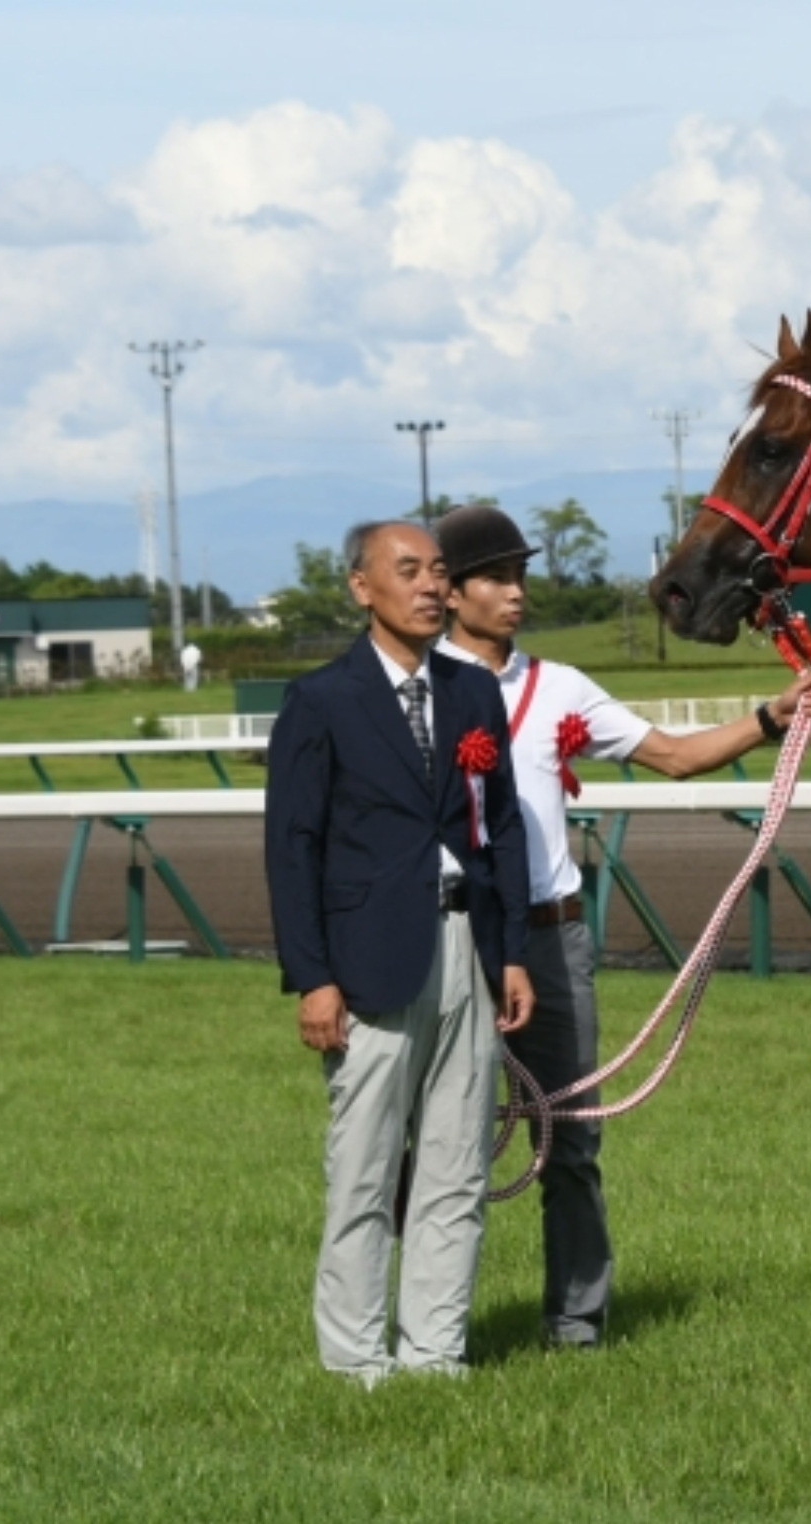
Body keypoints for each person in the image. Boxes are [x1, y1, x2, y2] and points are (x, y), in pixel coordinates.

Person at [432, 504, 811, 1350]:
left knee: (572, 1140)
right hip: (453, 936)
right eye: (497, 579)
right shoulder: (419, 688)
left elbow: (674, 755)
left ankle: (575, 1322)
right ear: (452, 591)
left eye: (521, 577)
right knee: (448, 1143)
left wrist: (774, 715)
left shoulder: (559, 687)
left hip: (549, 938)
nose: (516, 594)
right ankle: (437, 1331)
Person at [265, 519, 535, 1386]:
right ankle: (353, 1359)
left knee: (457, 1164)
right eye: (409, 570)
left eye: (439, 572)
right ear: (361, 587)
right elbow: (291, 847)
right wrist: (313, 977)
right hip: (369, 959)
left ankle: (434, 1353)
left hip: (469, 947)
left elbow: (501, 830)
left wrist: (513, 955)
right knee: (366, 1169)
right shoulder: (320, 700)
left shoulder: (470, 693)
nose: (429, 586)